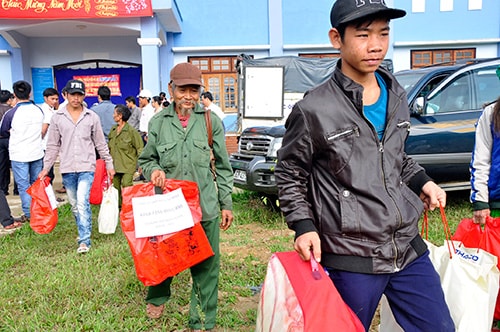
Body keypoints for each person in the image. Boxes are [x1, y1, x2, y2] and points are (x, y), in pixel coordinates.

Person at [274, 1, 454, 330]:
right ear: (336, 39)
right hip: (352, 254)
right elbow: (289, 174)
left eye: (383, 33)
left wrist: (424, 182)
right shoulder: (314, 109)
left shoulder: (396, 93)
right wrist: (303, 225)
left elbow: (393, 156)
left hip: (406, 247)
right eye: (363, 35)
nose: (375, 45)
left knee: (440, 327)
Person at [138, 62, 234, 330]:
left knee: (207, 263)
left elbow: (224, 166)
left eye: (194, 90)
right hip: (170, 207)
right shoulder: (158, 122)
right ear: (171, 89)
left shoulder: (210, 120)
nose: (188, 96)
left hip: (205, 206)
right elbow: (146, 160)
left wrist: (226, 203)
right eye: (183, 90)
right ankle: (158, 296)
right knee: (165, 255)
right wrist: (154, 169)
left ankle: (205, 317)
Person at [39, 79, 115, 254]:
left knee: (82, 201)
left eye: (79, 94)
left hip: (87, 166)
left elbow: (100, 143)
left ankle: (84, 240)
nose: (76, 98)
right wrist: (46, 167)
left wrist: (109, 163)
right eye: (72, 94)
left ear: (84, 96)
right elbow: (53, 145)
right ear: (65, 95)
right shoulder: (57, 118)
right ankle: (82, 228)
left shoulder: (91, 117)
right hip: (67, 167)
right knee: (74, 204)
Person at [0, 81, 45, 222]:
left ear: (14, 95)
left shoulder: (11, 113)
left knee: (23, 185)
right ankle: (38, 211)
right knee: (35, 183)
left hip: (19, 154)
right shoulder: (38, 110)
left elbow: (3, 131)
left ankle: (29, 213)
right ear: (30, 93)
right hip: (37, 152)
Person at [108, 104, 143, 205]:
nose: (113, 115)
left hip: (128, 164)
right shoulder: (113, 130)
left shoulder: (131, 131)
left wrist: (141, 164)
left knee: (127, 185)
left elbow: (140, 148)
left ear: (120, 116)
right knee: (115, 188)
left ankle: (128, 206)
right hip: (115, 165)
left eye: (114, 113)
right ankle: (118, 208)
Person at [40, 87, 59, 184]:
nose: (55, 101)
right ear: (45, 98)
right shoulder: (46, 110)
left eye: (56, 99)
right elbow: (44, 129)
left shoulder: (50, 109)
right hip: (45, 145)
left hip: (47, 145)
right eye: (52, 99)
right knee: (48, 173)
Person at [0, 90, 13, 195]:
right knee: (15, 164)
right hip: (11, 139)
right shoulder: (12, 111)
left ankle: (3, 189)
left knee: (2, 165)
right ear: (9, 99)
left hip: (0, 140)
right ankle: (17, 190)